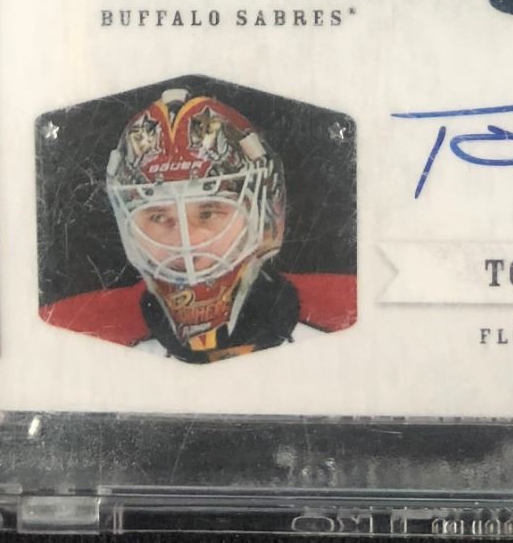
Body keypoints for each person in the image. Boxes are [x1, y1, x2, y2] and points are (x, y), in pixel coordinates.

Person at [41, 88, 355, 362]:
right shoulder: (71, 336)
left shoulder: (347, 316)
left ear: (260, 215)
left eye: (208, 213)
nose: (186, 241)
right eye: (158, 217)